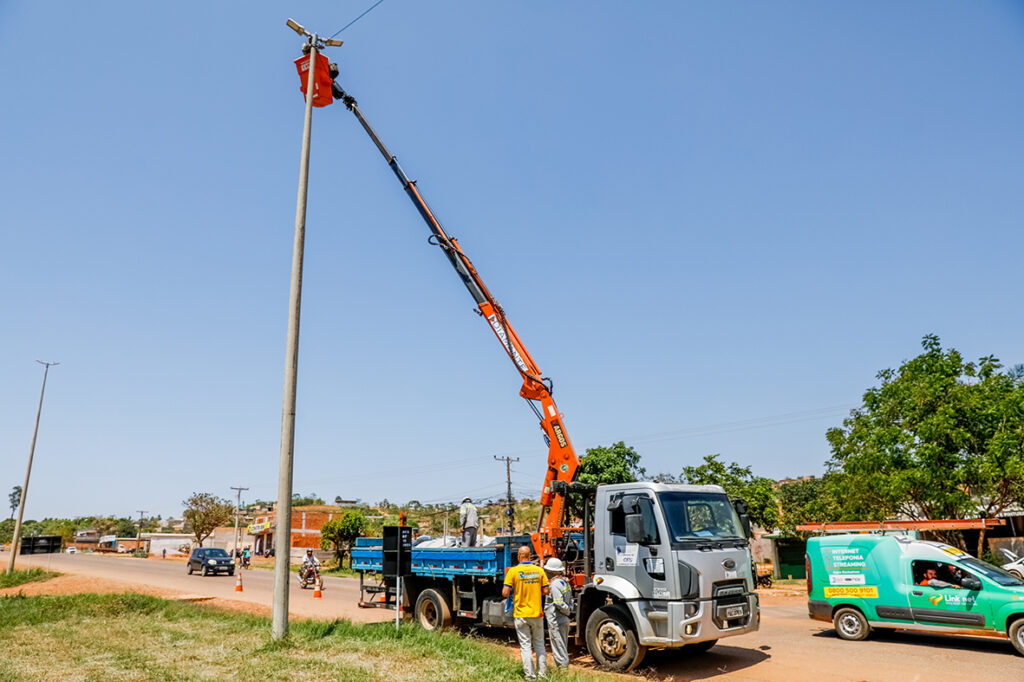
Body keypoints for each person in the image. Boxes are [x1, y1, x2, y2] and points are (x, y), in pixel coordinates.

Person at [503, 546, 550, 680]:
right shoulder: (539, 570)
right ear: (530, 556)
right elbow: (546, 591)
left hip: (521, 614)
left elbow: (505, 593)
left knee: (525, 646)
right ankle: (543, 675)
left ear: (519, 556)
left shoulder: (513, 571)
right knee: (540, 644)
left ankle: (530, 676)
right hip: (536, 614)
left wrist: (515, 591)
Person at [543, 557, 574, 670]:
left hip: (556, 620)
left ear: (551, 572)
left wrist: (567, 612)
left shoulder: (554, 584)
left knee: (558, 646)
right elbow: (570, 600)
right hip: (563, 619)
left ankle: (562, 671)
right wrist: (569, 611)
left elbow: (559, 603)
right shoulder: (564, 582)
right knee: (562, 645)